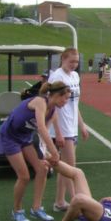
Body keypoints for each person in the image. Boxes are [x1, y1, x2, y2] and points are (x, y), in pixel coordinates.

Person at [0, 81, 70, 221]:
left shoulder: (53, 110)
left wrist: (46, 153)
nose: (66, 102)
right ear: (57, 95)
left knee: (42, 169)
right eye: (65, 98)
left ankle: (36, 208)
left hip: (25, 137)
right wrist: (54, 152)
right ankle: (17, 211)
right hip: (9, 136)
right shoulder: (40, 102)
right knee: (24, 176)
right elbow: (41, 128)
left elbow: (44, 135)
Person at [47, 48, 89, 212]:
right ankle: (76, 202)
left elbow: (74, 103)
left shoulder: (75, 76)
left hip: (71, 127)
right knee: (71, 169)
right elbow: (53, 106)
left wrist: (82, 124)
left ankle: (59, 202)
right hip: (63, 128)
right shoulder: (57, 77)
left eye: (76, 62)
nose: (74, 64)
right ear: (63, 59)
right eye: (71, 61)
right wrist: (57, 131)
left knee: (65, 167)